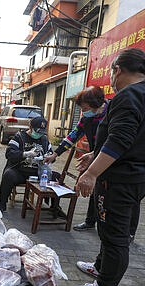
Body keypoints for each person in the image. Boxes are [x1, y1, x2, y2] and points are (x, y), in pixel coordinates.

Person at [69, 48, 145, 286]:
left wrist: (91, 174)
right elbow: (128, 138)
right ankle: (100, 268)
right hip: (134, 178)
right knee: (109, 230)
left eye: (113, 71)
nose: (112, 78)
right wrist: (94, 154)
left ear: (118, 70)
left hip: (120, 181)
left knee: (115, 236)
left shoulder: (130, 95)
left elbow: (120, 139)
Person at [50, 86, 108, 231]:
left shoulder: (112, 113)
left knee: (107, 192)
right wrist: (56, 153)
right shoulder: (87, 119)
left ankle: (118, 229)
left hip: (110, 156)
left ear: (96, 103)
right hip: (95, 155)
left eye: (85, 107)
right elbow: (73, 136)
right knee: (94, 188)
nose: (83, 111)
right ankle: (90, 222)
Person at [0, 117, 59, 212]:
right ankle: (2, 204)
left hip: (38, 172)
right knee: (8, 175)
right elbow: (9, 154)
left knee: (57, 177)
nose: (39, 134)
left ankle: (55, 207)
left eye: (41, 132)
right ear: (30, 127)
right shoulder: (19, 137)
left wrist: (47, 158)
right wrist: (25, 154)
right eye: (37, 131)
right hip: (20, 171)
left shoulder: (44, 139)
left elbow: (52, 157)